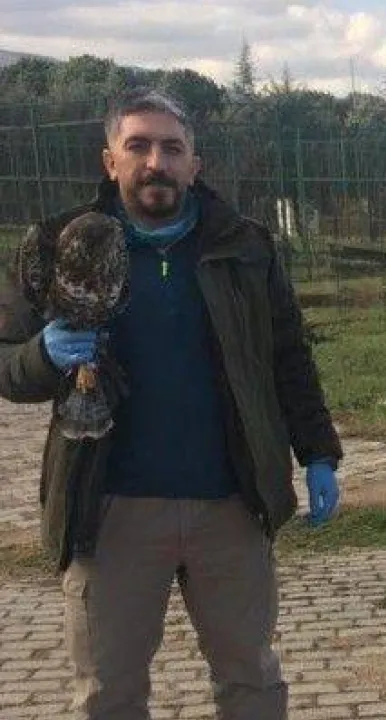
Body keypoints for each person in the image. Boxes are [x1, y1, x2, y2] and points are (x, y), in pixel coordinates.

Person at [0, 88, 342, 720]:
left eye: (172, 147)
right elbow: (7, 364)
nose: (155, 161)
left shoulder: (245, 247)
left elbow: (289, 358)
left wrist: (318, 452)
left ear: (194, 163)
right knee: (108, 693)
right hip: (109, 508)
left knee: (251, 681)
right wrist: (44, 354)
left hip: (230, 503)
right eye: (138, 145)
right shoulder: (56, 244)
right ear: (110, 160)